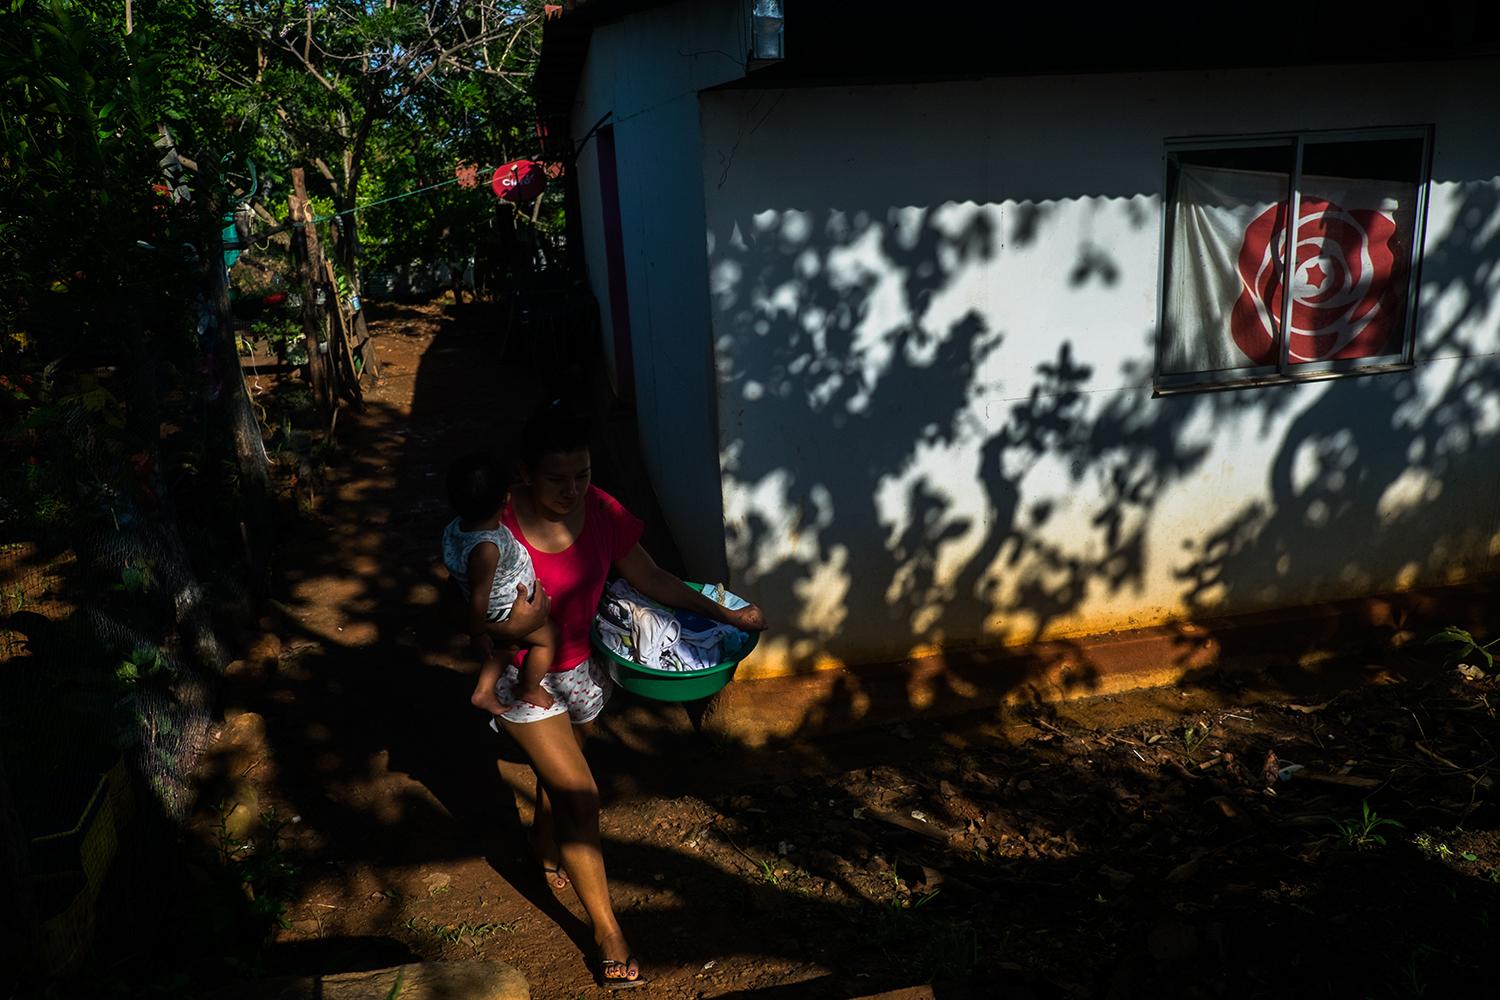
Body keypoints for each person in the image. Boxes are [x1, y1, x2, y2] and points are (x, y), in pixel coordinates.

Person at [468, 399, 766, 990]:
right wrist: (518, 627)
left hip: (582, 673)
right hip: (521, 680)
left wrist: (726, 613)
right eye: (557, 478)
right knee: (581, 795)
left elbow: (649, 577)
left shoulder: (599, 509)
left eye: (582, 474)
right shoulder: (492, 526)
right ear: (524, 474)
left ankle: (542, 841)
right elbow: (475, 621)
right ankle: (608, 932)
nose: (573, 489)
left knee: (564, 778)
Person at [441, 452, 557, 716]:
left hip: (497, 604)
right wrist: (478, 633)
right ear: (506, 498)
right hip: (504, 609)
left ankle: (483, 691)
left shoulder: (457, 528)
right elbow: (480, 596)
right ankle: (529, 687)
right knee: (549, 638)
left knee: (510, 646)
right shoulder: (486, 549)